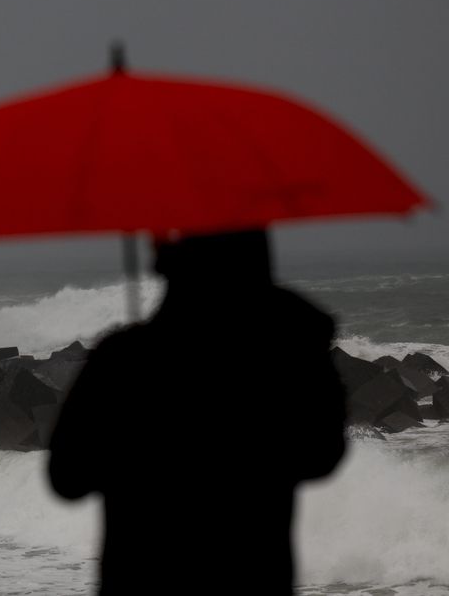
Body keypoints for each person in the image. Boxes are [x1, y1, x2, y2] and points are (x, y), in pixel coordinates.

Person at [47, 229, 347, 595]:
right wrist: (306, 334)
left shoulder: (123, 358)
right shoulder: (283, 362)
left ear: (164, 264)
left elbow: (67, 479)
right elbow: (322, 457)